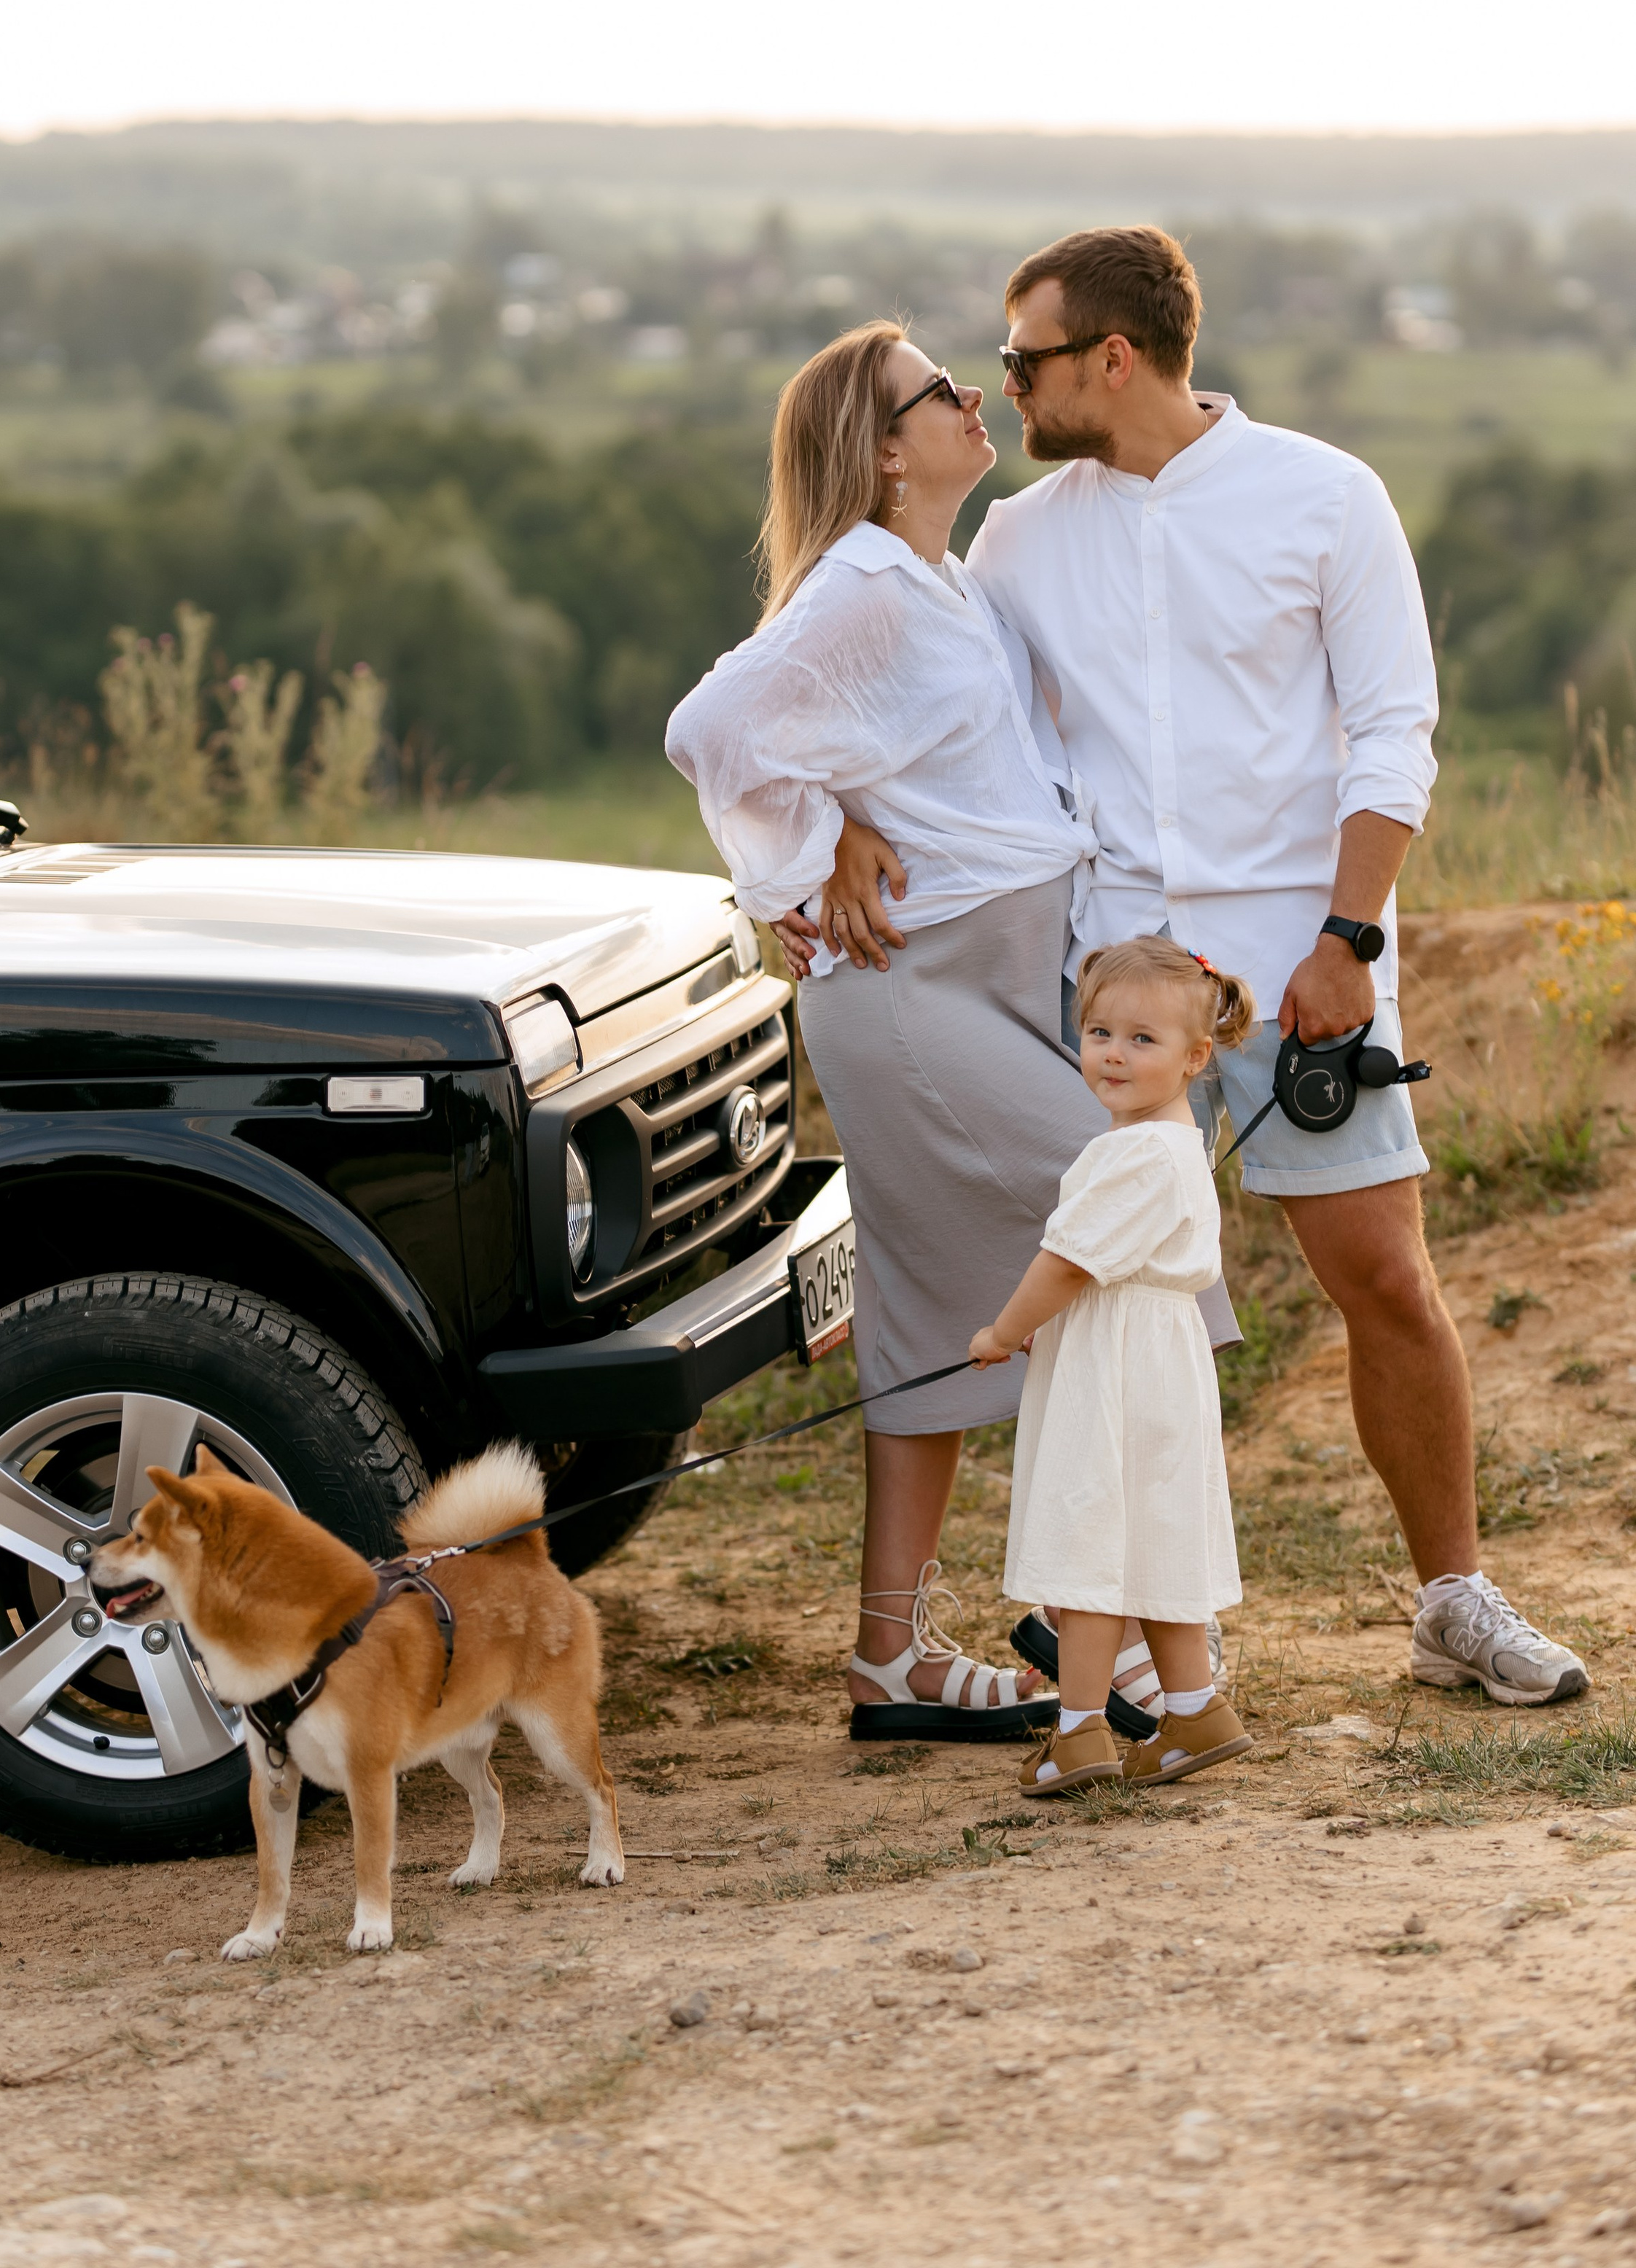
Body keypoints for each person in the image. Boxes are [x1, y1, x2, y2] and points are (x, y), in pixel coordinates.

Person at [817, 223, 1586, 1708]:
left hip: (1304, 970)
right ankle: (1108, 1630)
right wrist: (839, 828)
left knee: (1382, 1279)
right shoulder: (1022, 537)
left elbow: (1390, 734)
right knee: (1095, 1307)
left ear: (1108, 358)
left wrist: (1347, 941)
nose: (1001, 389)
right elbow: (939, 709)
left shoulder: (1322, 499)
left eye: (1021, 359)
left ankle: (1453, 1599)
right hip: (1101, 984)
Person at [666, 321, 1148, 1733]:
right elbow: (716, 726)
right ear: (882, 452)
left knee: (935, 1313)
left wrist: (851, 804)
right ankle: (1086, 1608)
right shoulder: (867, 583)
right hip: (912, 994)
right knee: (1122, 1212)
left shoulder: (939, 580)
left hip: (985, 980)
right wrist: (812, 843)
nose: (964, 399)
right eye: (935, 391)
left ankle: (893, 1657)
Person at [970, 935, 1255, 1795]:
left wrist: (1003, 1330)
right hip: (1157, 1357)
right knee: (1153, 1544)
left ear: (1194, 1056)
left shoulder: (1133, 1153)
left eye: (1142, 1039)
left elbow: (1066, 1263)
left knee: (1089, 1545)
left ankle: (1079, 1732)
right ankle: (1195, 1709)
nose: (1114, 1054)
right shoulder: (1174, 1141)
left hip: (1118, 1368)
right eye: (1098, 1032)